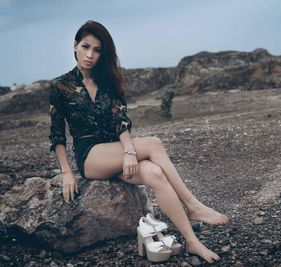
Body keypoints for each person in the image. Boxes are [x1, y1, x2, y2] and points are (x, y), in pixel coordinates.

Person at [48, 20, 228, 263]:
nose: (90, 54)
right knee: (153, 143)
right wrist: (67, 173)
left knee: (154, 173)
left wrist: (128, 151)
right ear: (75, 46)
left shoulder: (108, 81)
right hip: (91, 156)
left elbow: (120, 121)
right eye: (85, 46)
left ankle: (193, 242)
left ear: (104, 53)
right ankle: (193, 205)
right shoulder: (60, 86)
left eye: (97, 49)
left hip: (116, 152)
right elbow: (57, 133)